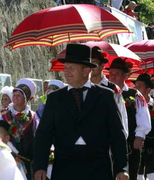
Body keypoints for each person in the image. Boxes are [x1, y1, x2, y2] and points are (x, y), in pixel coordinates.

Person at [33, 44, 128, 180]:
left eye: (71, 68)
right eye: (66, 68)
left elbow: (117, 134)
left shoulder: (106, 96)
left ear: (86, 70)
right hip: (64, 170)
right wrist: (40, 166)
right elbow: (43, 135)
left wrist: (121, 169)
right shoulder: (55, 98)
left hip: (98, 170)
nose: (66, 72)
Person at [108, 58, 151, 180]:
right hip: (108, 142)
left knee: (129, 174)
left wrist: (140, 135)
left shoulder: (135, 94)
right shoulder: (105, 92)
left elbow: (143, 116)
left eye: (116, 74)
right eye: (110, 73)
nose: (112, 77)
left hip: (130, 143)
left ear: (125, 76)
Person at [0, 78, 39, 180]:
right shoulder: (3, 115)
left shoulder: (34, 117)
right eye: (14, 95)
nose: (15, 97)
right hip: (8, 160)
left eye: (19, 95)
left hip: (28, 164)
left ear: (25, 99)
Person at [90, 46, 128, 139]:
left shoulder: (114, 89)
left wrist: (119, 140)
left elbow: (121, 117)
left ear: (102, 65)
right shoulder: (81, 87)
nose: (90, 67)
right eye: (88, 63)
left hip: (105, 140)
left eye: (94, 63)